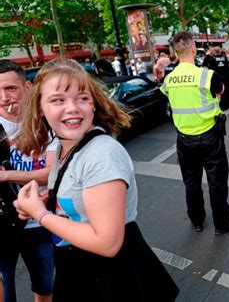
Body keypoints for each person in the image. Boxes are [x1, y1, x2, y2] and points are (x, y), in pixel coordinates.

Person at [13, 59, 179, 301]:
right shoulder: (65, 145)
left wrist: (41, 214)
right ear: (39, 108)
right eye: (58, 99)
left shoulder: (101, 154)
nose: (72, 108)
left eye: (82, 97)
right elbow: (82, 196)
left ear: (93, 103)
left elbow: (107, 243)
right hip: (81, 271)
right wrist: (48, 199)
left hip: (114, 279)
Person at [160, 31, 229, 235]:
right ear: (194, 48)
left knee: (191, 182)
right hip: (209, 137)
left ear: (175, 51)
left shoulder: (170, 79)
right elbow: (221, 91)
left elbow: (166, 94)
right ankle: (222, 224)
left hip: (184, 139)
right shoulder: (206, 75)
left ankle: (196, 220)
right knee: (216, 181)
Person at [0, 59, 55, 302]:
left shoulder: (47, 123)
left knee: (45, 286)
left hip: (39, 224)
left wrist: (7, 175)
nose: (4, 98)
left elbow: (51, 173)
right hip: (2, 226)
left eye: (11, 89)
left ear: (28, 87)